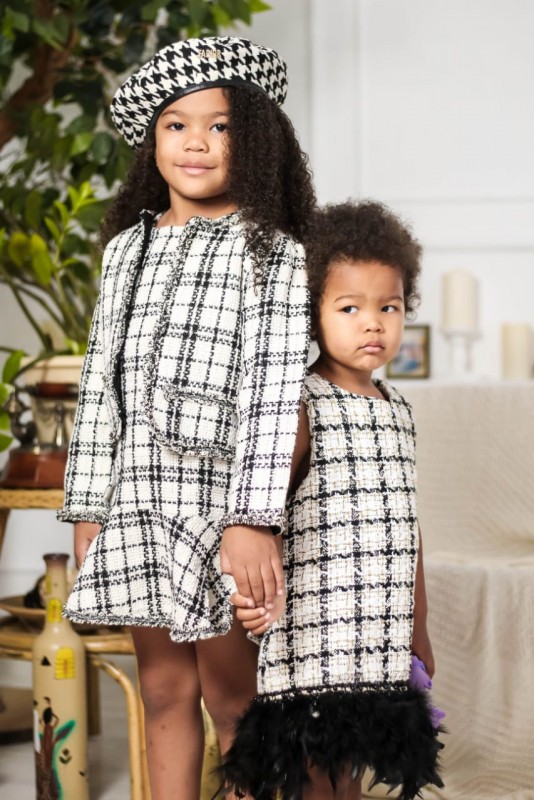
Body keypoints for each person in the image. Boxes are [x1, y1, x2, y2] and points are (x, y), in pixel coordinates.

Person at [57, 36, 315, 800]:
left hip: (220, 509)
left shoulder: (274, 251)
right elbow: (100, 387)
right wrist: (88, 507)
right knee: (163, 689)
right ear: (153, 140)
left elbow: (274, 392)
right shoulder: (125, 253)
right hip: (138, 503)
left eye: (220, 126)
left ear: (255, 139)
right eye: (176, 125)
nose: (196, 142)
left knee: (233, 694)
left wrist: (253, 520)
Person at [222, 201, 444, 800]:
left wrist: (418, 625)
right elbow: (257, 515)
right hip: (312, 629)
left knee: (352, 769)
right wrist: (253, 598)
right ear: (312, 314)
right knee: (313, 769)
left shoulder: (400, 410)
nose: (372, 324)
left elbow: (406, 528)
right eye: (350, 308)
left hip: (377, 629)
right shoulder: (300, 404)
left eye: (388, 307)